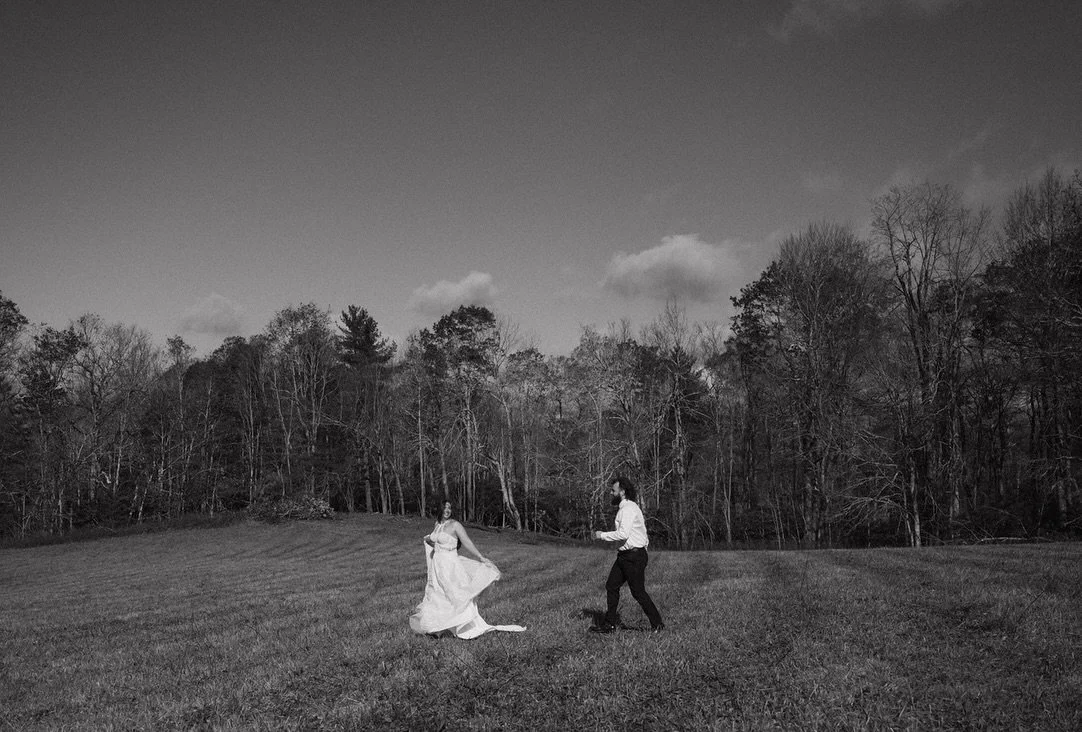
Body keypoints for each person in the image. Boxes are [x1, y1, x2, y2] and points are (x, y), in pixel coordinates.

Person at [409, 501, 526, 639]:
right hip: (438, 566)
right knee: (438, 594)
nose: (448, 510)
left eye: (450, 508)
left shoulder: (455, 525)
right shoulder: (437, 525)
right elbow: (434, 542)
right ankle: (438, 626)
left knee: (454, 594)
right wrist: (429, 541)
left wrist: (481, 557)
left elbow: (467, 542)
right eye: (445, 507)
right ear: (439, 508)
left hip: (450, 565)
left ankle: (462, 625)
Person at [591, 476, 665, 633]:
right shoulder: (626, 509)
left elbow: (623, 534)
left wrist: (601, 535)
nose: (611, 493)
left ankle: (658, 624)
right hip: (626, 556)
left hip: (633, 557)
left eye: (613, 490)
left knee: (637, 592)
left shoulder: (628, 509)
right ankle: (609, 624)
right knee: (611, 585)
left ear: (622, 492)